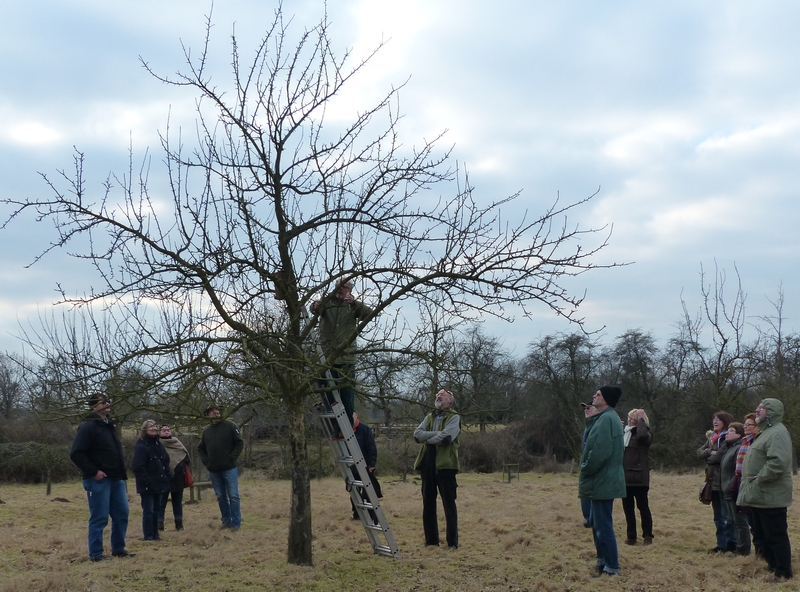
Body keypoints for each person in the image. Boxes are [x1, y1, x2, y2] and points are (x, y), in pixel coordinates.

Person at [70, 393, 134, 562]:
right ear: (94, 406)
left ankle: (118, 549)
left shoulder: (109, 425)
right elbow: (77, 454)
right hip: (98, 480)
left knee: (122, 514)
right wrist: (93, 472)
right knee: (99, 517)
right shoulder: (88, 427)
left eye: (108, 401)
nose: (107, 404)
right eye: (103, 402)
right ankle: (96, 554)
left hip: (116, 479)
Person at [737, 399, 794, 580]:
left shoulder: (777, 433)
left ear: (772, 411)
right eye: (758, 406)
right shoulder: (766, 432)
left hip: (771, 495)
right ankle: (772, 567)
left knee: (775, 535)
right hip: (760, 495)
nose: (757, 409)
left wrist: (759, 478)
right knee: (762, 534)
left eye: (762, 407)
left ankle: (783, 572)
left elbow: (778, 462)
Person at [310, 278, 374, 427]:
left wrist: (353, 303)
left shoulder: (352, 306)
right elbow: (315, 308)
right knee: (325, 387)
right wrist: (315, 305)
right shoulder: (327, 302)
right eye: (338, 287)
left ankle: (349, 424)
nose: (340, 290)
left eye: (344, 287)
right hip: (327, 355)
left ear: (349, 290)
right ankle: (335, 426)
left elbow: (369, 314)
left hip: (346, 356)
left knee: (346, 393)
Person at [578, 385, 625, 577]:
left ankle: (612, 566)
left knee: (603, 524)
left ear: (605, 399)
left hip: (602, 479)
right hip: (601, 479)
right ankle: (603, 562)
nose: (593, 396)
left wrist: (585, 467)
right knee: (598, 524)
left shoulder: (607, 419)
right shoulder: (605, 418)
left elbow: (600, 452)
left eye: (597, 394)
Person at [413, 389, 461, 549]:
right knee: (428, 502)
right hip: (428, 462)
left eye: (442, 395)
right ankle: (431, 541)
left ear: (450, 400)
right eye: (437, 395)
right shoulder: (429, 417)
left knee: (449, 504)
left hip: (446, 465)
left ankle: (452, 543)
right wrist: (435, 434)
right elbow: (417, 435)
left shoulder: (454, 418)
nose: (438, 397)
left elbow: (447, 438)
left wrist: (428, 439)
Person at [198, 404, 244, 530]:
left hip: (229, 468)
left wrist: (232, 457)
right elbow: (201, 448)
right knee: (221, 497)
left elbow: (239, 443)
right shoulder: (206, 431)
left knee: (233, 496)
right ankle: (226, 521)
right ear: (208, 414)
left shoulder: (230, 426)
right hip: (213, 469)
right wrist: (206, 461)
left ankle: (236, 523)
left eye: (216, 410)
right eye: (211, 411)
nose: (215, 412)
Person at [697, 410, 736, 553]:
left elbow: (718, 457)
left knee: (727, 516)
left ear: (725, 422)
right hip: (712, 482)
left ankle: (731, 543)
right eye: (714, 419)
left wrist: (710, 454)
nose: (715, 421)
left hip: (724, 482)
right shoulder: (712, 437)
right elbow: (699, 452)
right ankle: (721, 544)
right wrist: (709, 452)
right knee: (718, 517)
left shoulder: (728, 438)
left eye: (718, 419)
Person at [131, 420, 172, 541]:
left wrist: (167, 477)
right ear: (144, 430)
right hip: (147, 485)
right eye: (150, 427)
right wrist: (147, 481)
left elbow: (165, 461)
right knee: (148, 510)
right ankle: (148, 535)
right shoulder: (141, 446)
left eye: (155, 426)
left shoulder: (158, 445)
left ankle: (156, 534)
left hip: (159, 483)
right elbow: (137, 467)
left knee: (157, 510)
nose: (154, 429)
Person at [622, 408, 653, 546]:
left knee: (643, 508)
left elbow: (642, 435)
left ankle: (647, 535)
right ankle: (631, 536)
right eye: (629, 417)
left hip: (639, 479)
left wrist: (641, 419)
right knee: (628, 509)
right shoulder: (624, 434)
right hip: (625, 478)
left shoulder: (645, 435)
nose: (629, 420)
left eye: (633, 418)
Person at [720, 422, 750, 555]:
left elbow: (739, 470)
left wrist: (731, 484)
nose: (727, 432)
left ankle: (743, 551)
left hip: (734, 490)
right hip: (727, 491)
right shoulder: (730, 447)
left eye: (731, 430)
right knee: (733, 521)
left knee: (740, 522)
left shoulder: (739, 448)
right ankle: (738, 548)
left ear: (739, 434)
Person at [350, 413, 383, 523]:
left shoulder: (365, 429)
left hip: (365, 466)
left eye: (352, 416)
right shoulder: (346, 430)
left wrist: (371, 464)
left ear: (356, 416)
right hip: (352, 466)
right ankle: (357, 514)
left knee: (368, 492)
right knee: (354, 491)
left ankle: (372, 515)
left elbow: (371, 447)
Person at [158, 424, 190, 531]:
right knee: (161, 503)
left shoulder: (177, 443)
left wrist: (180, 465)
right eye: (163, 430)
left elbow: (186, 458)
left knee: (177, 503)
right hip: (163, 478)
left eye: (168, 429)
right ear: (159, 433)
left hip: (178, 478)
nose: (166, 431)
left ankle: (179, 525)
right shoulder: (157, 444)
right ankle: (159, 524)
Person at [579, 402, 599, 528]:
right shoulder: (588, 425)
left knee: (593, 496)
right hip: (586, 466)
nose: (585, 410)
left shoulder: (599, 424)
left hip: (594, 467)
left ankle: (593, 520)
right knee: (585, 495)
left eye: (588, 407)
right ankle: (589, 520)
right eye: (584, 408)